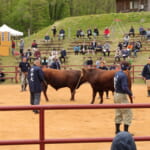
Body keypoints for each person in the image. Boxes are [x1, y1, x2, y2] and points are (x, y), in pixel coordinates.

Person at [113, 61, 134, 134]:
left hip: (116, 94)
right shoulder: (123, 75)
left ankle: (117, 130)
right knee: (127, 112)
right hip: (121, 95)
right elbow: (124, 87)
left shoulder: (117, 73)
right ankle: (126, 131)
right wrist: (131, 94)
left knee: (118, 112)